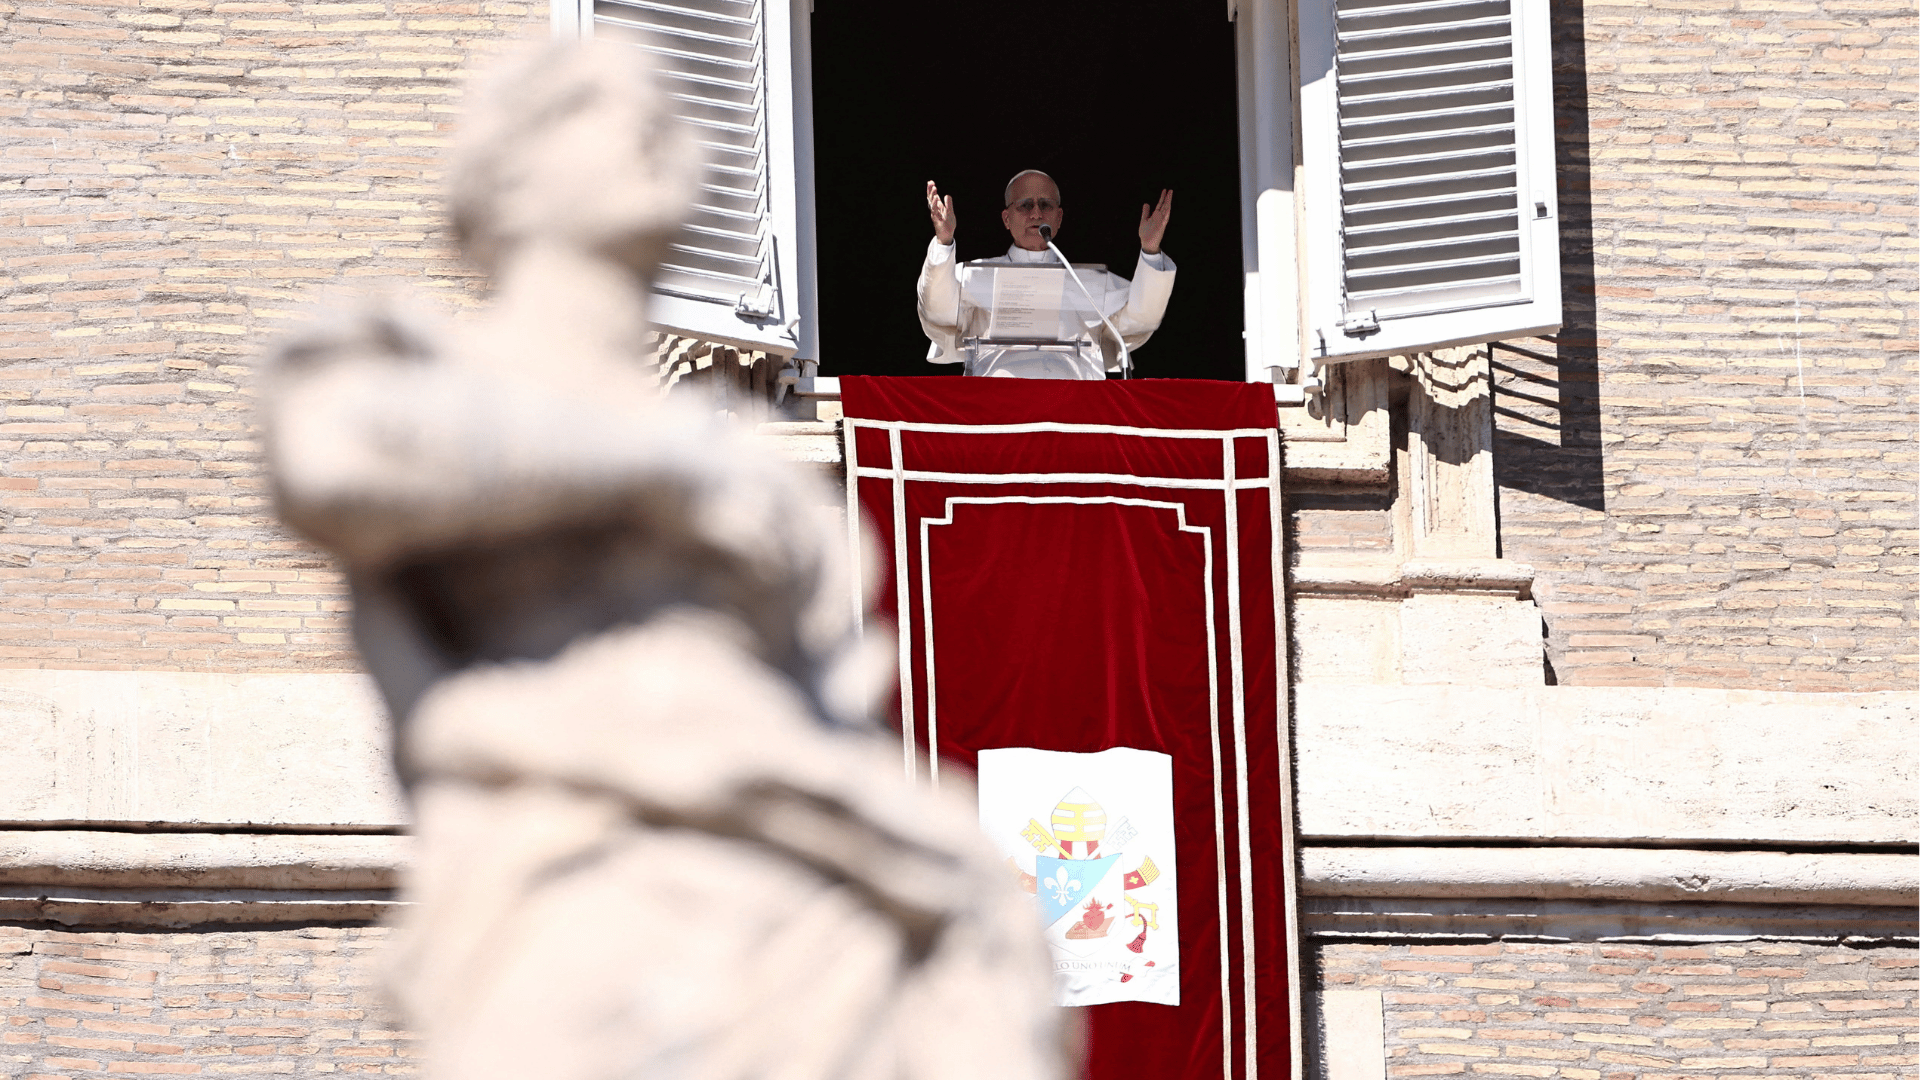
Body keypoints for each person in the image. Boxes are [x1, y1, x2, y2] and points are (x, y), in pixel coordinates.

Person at [917, 169, 1176, 380]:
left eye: (1046, 205)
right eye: (1025, 205)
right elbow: (937, 311)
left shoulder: (1089, 281)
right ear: (1006, 219)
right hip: (997, 400)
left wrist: (1150, 250)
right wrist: (944, 241)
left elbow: (1141, 318)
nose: (1036, 213)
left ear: (1059, 217)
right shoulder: (976, 275)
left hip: (1076, 402)